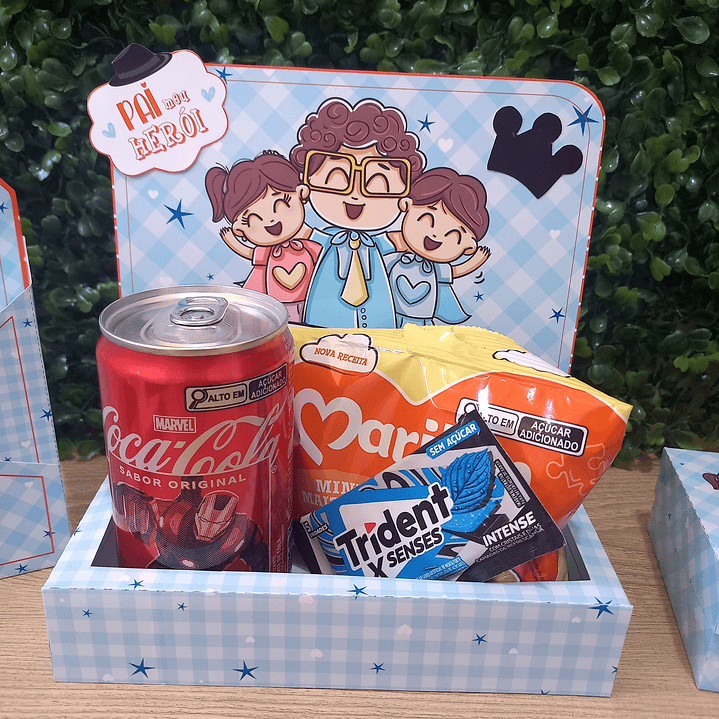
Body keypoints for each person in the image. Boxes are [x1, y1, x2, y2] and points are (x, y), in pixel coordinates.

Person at [289, 98, 425, 328]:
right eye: (337, 177)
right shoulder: (327, 239)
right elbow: (300, 230)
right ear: (307, 183)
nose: (355, 194)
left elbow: (406, 239)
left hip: (378, 321)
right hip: (323, 315)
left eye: (378, 182)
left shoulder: (378, 243)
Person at [205, 150, 321, 323]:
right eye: (251, 217)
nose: (270, 220)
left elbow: (323, 253)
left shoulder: (307, 246)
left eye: (282, 203)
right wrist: (233, 242)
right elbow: (251, 253)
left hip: (311, 302)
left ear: (301, 193)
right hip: (275, 305)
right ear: (239, 228)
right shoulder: (268, 253)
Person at [385, 167, 491, 326]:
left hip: (422, 323)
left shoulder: (435, 269)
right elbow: (376, 263)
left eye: (454, 233)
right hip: (389, 317)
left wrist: (474, 262)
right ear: (407, 205)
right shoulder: (397, 259)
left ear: (469, 246)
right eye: (427, 218)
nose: (436, 235)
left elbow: (454, 271)